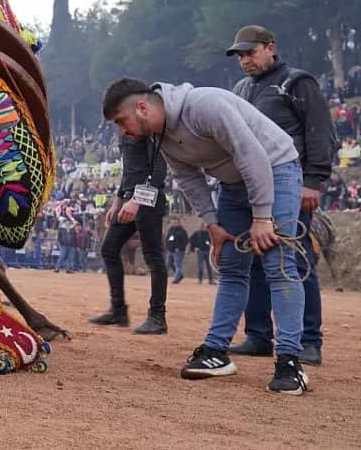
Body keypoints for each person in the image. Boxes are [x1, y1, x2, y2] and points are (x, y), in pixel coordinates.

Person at [102, 77, 308, 395]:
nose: (122, 131)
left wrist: (263, 216)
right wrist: (212, 224)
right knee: (230, 265)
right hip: (231, 184)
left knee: (278, 264)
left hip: (275, 169)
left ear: (141, 107)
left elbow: (251, 155)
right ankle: (216, 351)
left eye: (121, 121)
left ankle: (290, 362)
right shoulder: (161, 136)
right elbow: (188, 178)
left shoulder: (205, 105)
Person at [226, 25, 332, 366]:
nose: (244, 60)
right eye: (240, 55)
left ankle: (308, 340)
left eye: (250, 52)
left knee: (294, 260)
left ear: (270, 47)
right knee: (253, 257)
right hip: (250, 186)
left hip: (291, 181)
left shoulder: (298, 83)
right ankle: (258, 334)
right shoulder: (241, 89)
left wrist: (313, 182)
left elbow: (319, 133)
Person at [89, 134, 169, 334]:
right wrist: (117, 200)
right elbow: (129, 171)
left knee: (153, 255)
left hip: (149, 199)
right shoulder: (125, 131)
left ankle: (157, 317)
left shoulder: (149, 130)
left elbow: (158, 170)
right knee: (109, 249)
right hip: (128, 199)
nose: (119, 126)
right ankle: (118, 310)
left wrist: (137, 200)